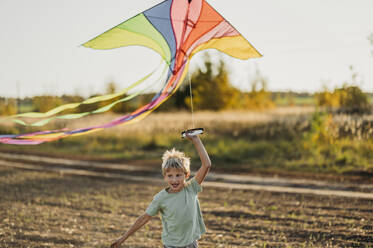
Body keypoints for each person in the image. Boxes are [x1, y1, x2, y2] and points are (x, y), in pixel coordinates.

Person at [110, 133, 211, 248]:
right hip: (171, 245)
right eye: (170, 176)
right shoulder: (161, 198)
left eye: (178, 175)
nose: (174, 180)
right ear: (164, 176)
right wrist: (123, 238)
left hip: (191, 244)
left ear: (186, 175)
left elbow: (206, 165)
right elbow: (144, 218)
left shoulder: (191, 188)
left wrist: (196, 140)